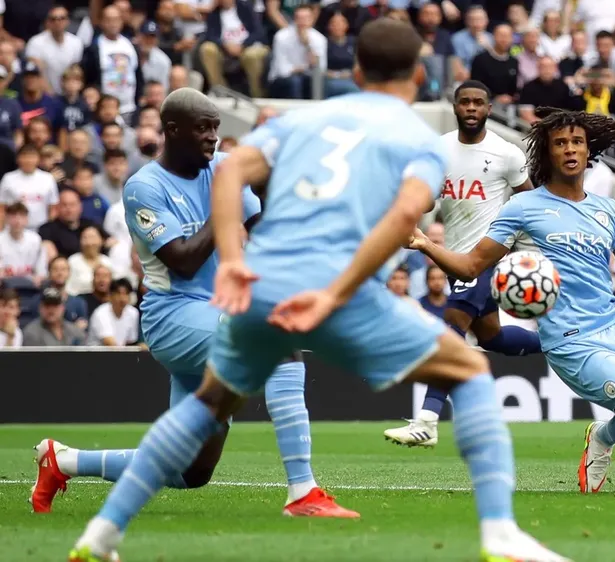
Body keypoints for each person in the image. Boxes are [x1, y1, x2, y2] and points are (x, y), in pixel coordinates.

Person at [67, 20, 568, 562]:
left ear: (356, 72)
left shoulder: (305, 119)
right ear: (420, 76)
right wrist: (335, 294)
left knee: (210, 402)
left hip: (264, 284)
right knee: (467, 369)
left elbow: (232, 171)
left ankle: (102, 534)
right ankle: (499, 533)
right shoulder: (419, 142)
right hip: (331, 285)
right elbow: (403, 219)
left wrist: (232, 263)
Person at [41, 89, 353, 524]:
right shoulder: (144, 187)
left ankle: (63, 460)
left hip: (216, 313)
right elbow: (183, 261)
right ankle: (303, 491)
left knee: (190, 470)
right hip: (172, 316)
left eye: (216, 128)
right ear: (172, 130)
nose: (212, 137)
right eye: (203, 128)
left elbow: (261, 228)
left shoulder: (225, 167)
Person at [409, 109, 615, 495]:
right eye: (560, 143)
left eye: (577, 142)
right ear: (547, 153)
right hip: (573, 342)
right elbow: (470, 266)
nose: (569, 149)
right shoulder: (522, 207)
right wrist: (425, 244)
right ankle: (602, 437)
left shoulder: (608, 209)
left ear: (587, 151)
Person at [383, 80, 540, 447]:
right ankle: (559, 342)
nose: (471, 108)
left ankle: (427, 421)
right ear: (455, 107)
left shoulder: (506, 153)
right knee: (491, 337)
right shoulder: (439, 150)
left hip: (486, 257)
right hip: (455, 260)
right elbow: (427, 201)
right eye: (465, 102)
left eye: (478, 102)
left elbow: (529, 203)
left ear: (489, 109)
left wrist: (521, 246)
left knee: (452, 326)